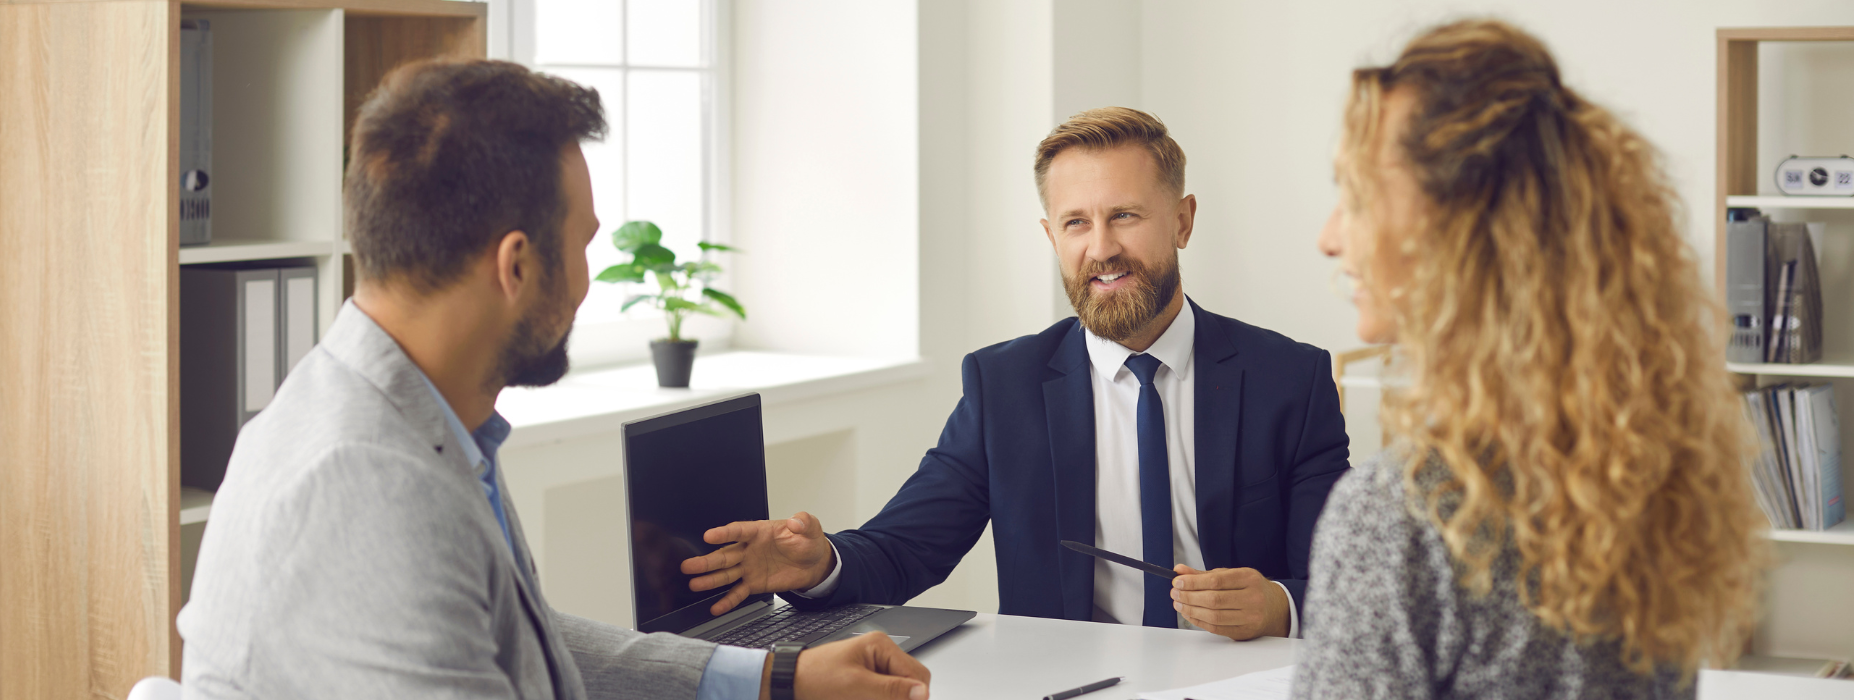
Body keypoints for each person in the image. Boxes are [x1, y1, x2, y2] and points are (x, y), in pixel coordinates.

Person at [177, 59, 931, 700]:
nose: (584, 283)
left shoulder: (414, 414)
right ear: (515, 265)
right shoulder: (369, 479)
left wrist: (775, 677)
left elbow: (520, 625)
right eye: (581, 246)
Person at [683, 107, 1351, 640]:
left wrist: (1276, 606)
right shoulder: (1003, 386)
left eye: (1124, 215)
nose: (1102, 248)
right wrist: (820, 564)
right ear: (1051, 237)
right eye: (1075, 223)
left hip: (1239, 680)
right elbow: (904, 550)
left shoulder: (1289, 379)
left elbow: (1344, 590)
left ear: (1181, 220)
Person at [1296, 20, 1767, 698]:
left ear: (1458, 231)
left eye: (1358, 195)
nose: (1329, 236)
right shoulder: (1641, 475)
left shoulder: (1402, 518)